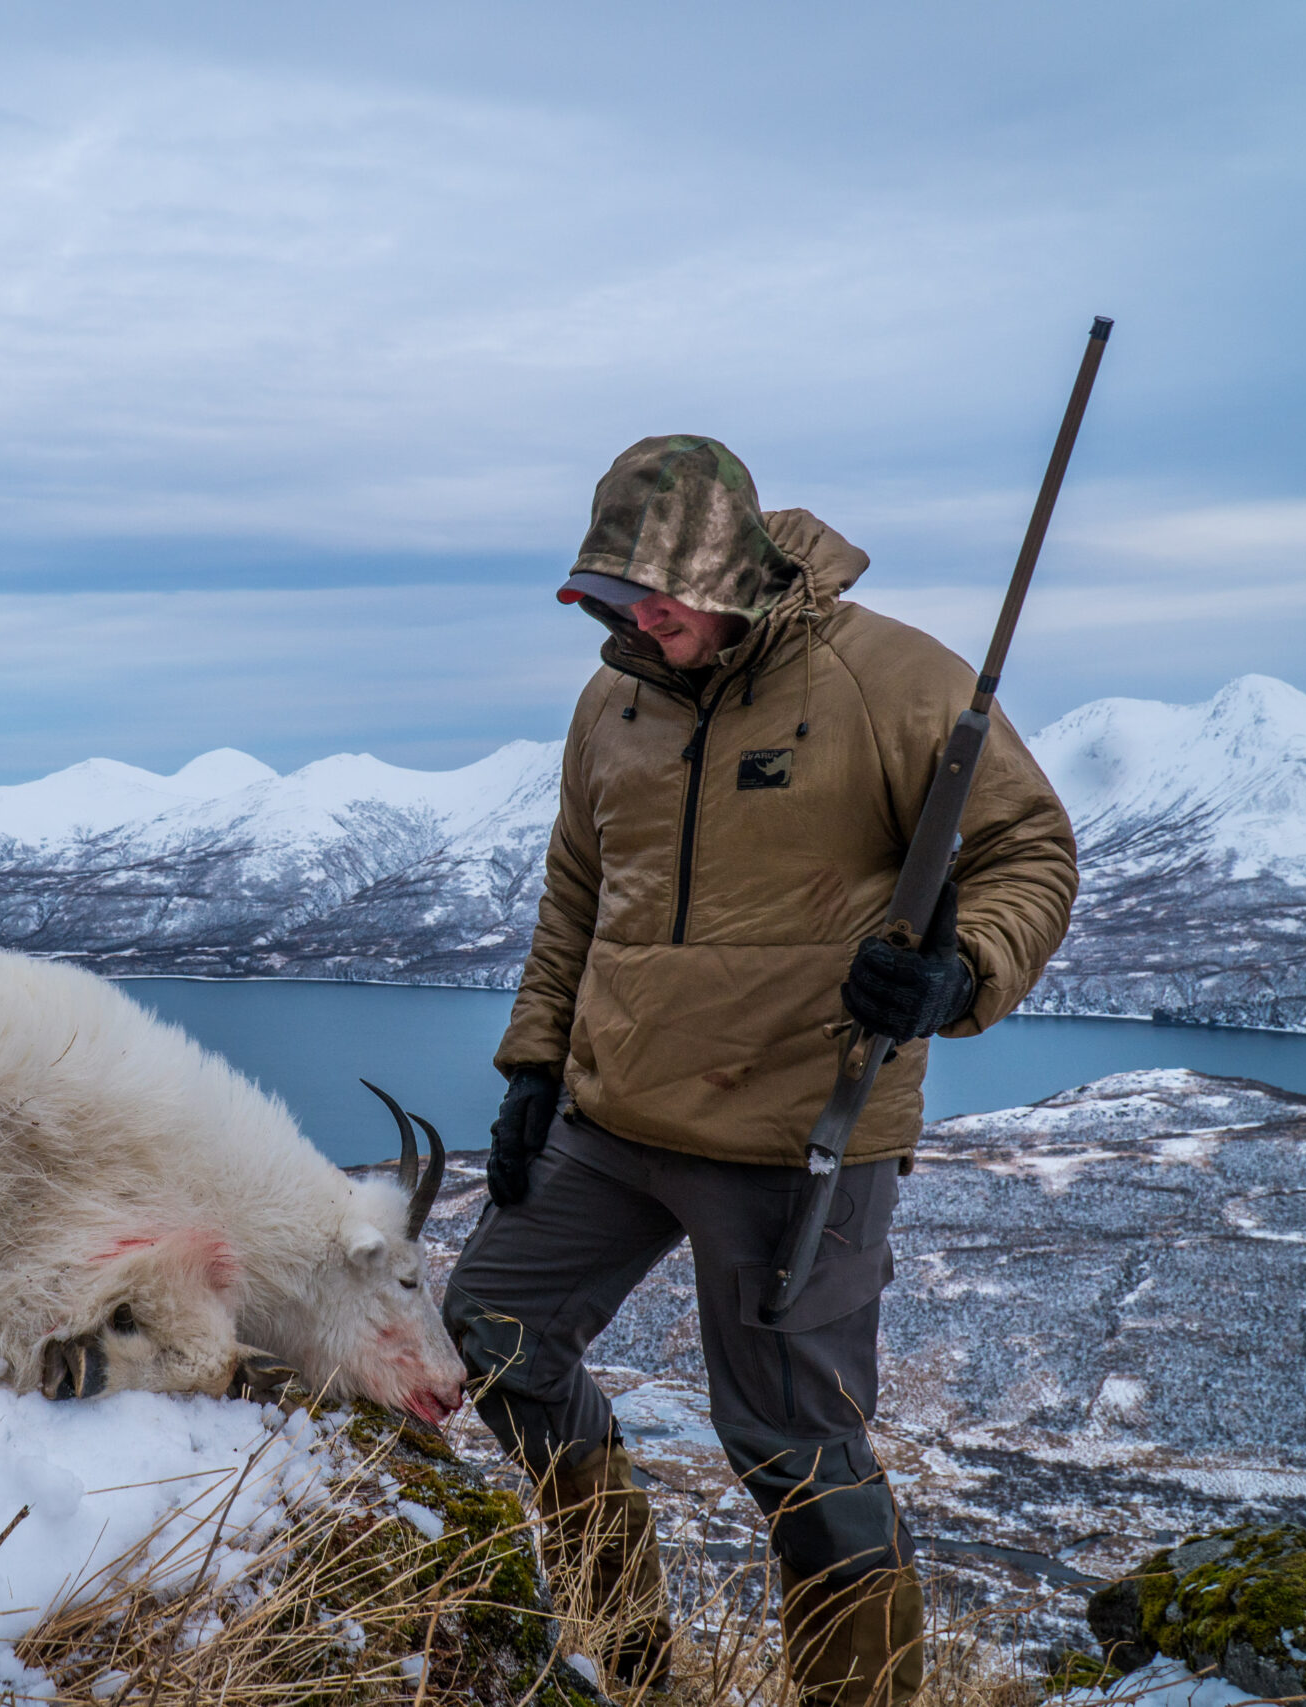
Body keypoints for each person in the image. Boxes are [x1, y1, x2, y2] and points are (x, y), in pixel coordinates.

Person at [443, 435, 1078, 1706]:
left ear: (727, 574)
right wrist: (531, 1071)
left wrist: (957, 978)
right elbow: (577, 899)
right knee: (492, 1336)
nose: (632, 626)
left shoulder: (891, 678)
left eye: (655, 603)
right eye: (612, 601)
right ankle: (623, 1650)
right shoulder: (610, 703)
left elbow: (1029, 854)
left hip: (803, 1134)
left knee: (797, 1457)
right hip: (613, 1116)